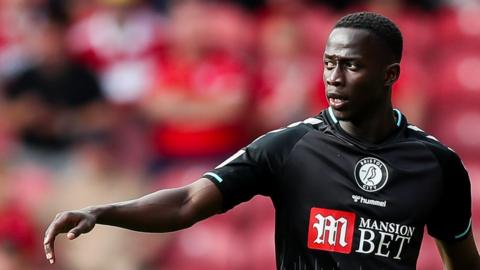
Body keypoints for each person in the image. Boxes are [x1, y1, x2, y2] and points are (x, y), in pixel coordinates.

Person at [43, 12, 480, 269]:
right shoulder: (289, 147)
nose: (333, 77)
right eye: (328, 63)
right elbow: (185, 204)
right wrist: (102, 212)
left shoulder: (437, 166)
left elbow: (463, 262)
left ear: (390, 76)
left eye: (351, 66)